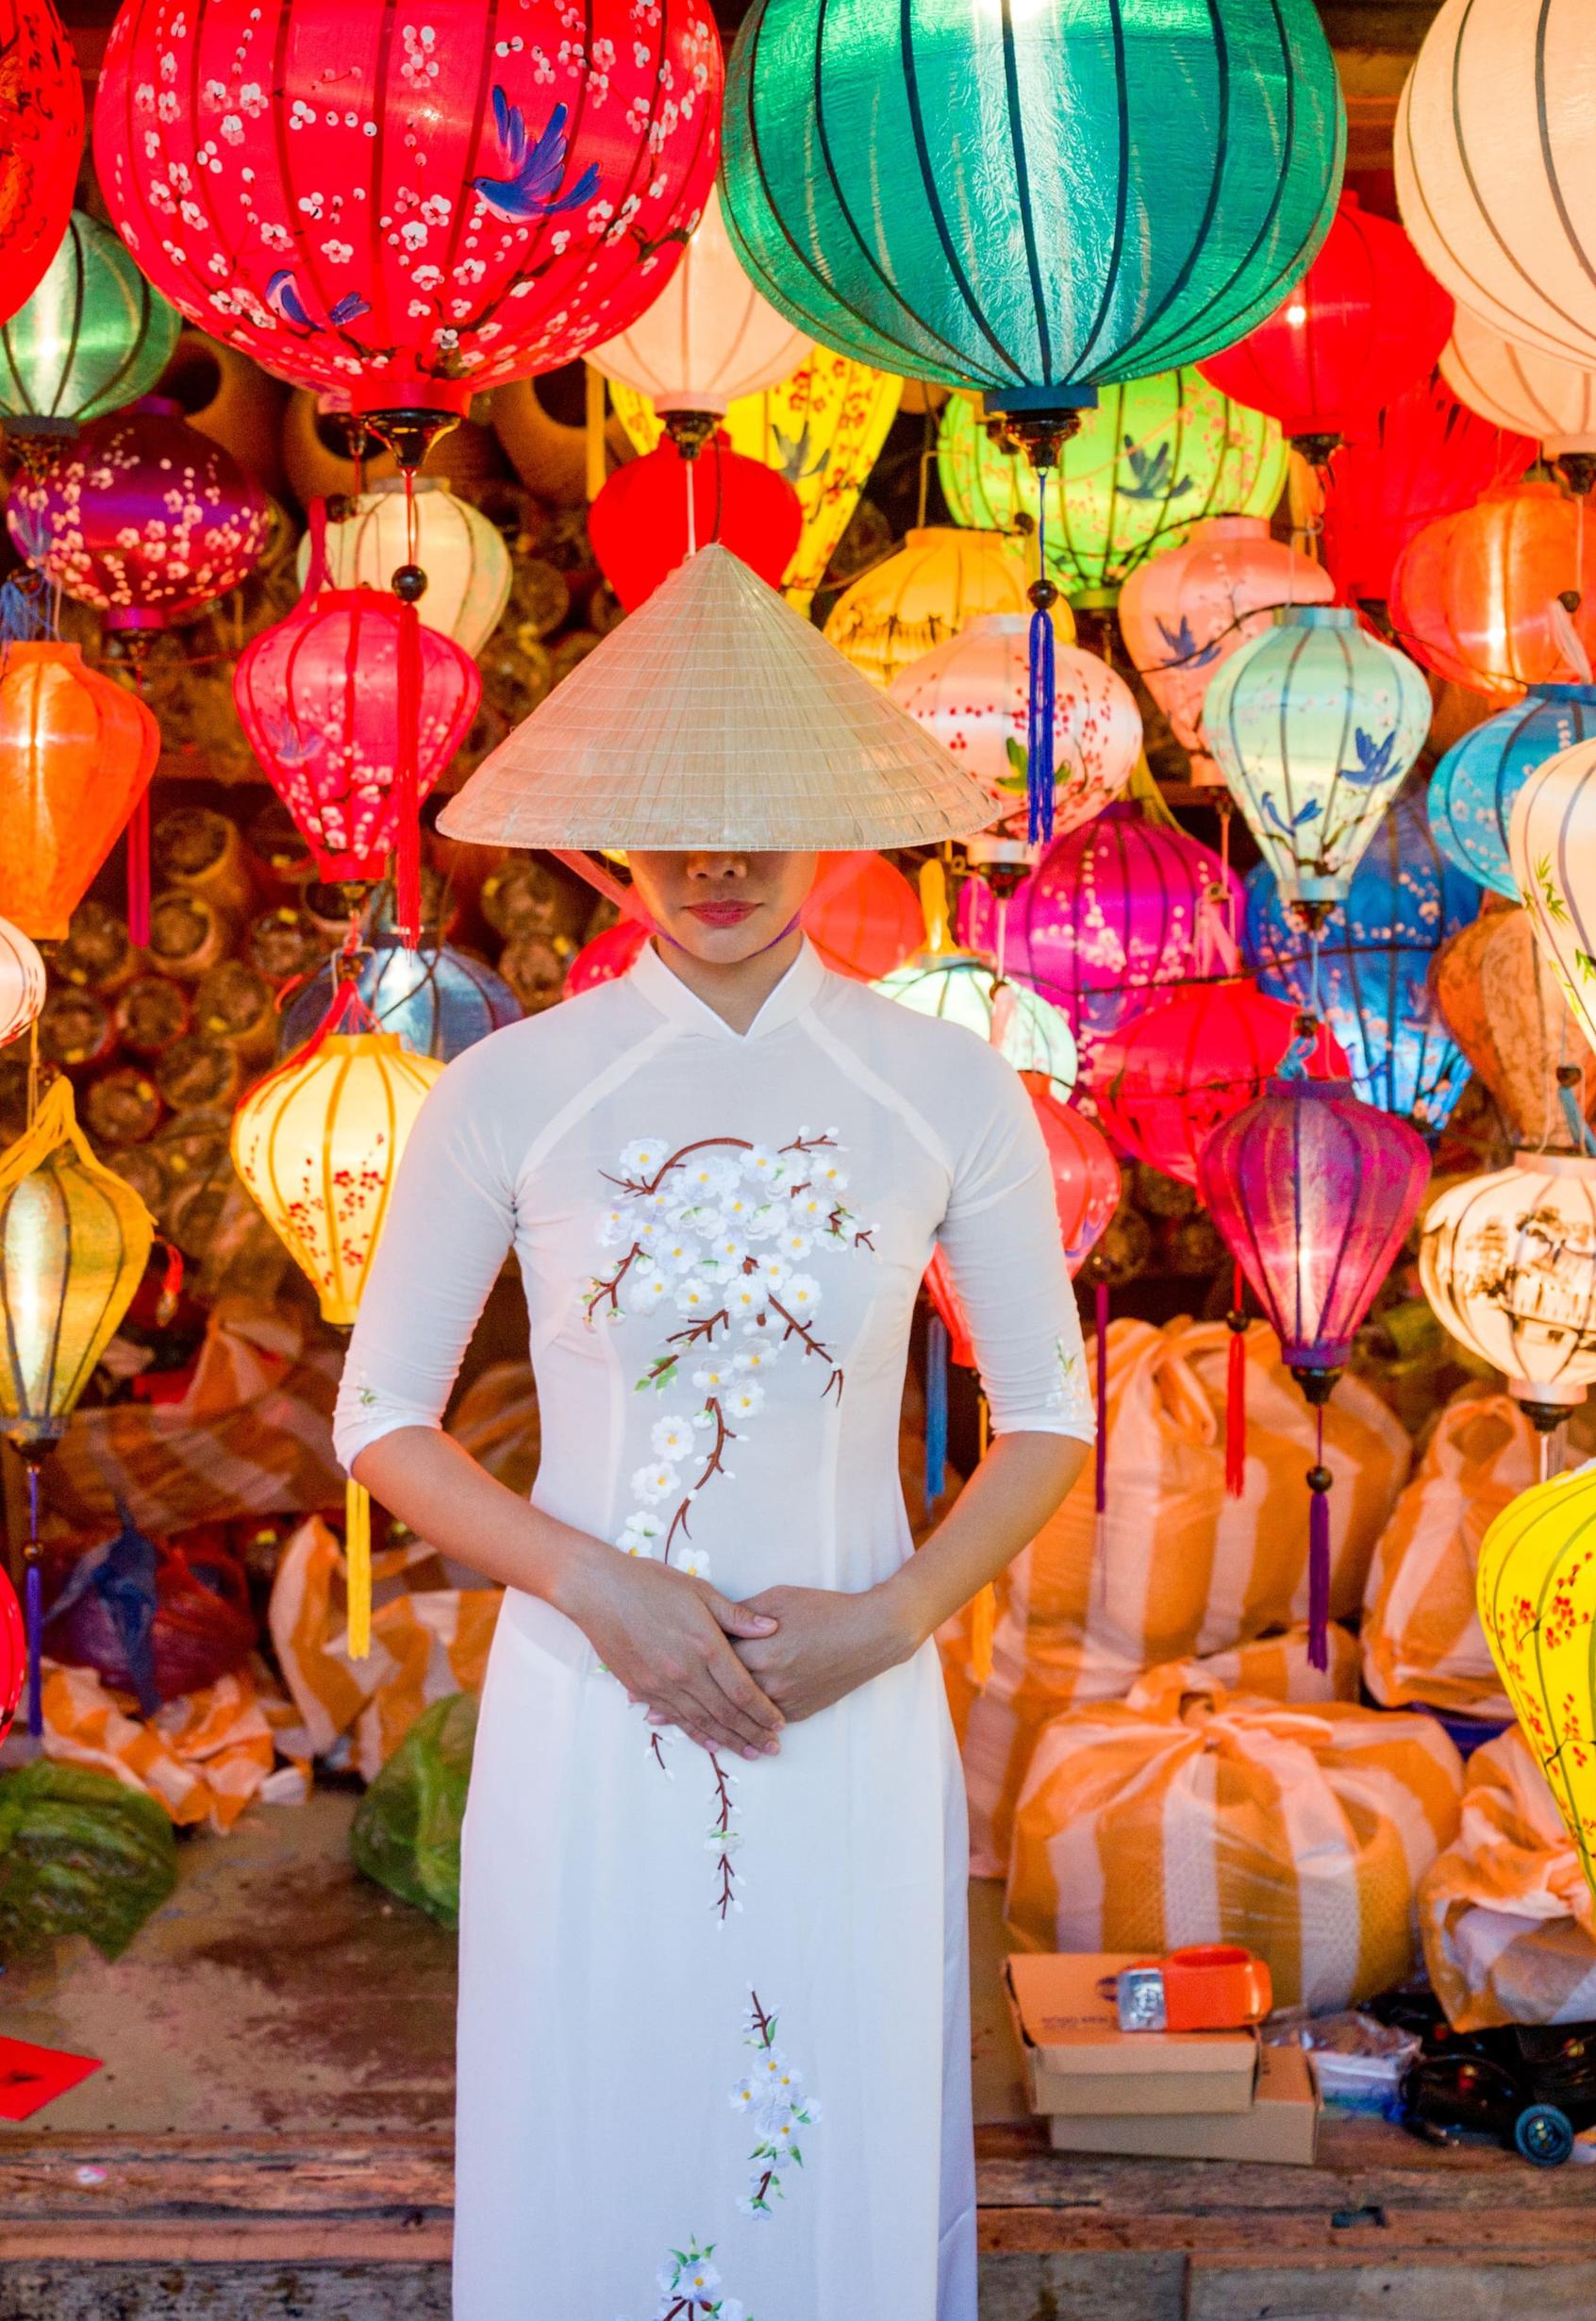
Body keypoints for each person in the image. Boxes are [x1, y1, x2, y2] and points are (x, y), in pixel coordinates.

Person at [333, 546, 1096, 2321]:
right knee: (598, 2102)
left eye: (760, 813)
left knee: (835, 2119)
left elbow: (1049, 1414)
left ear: (834, 823)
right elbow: (383, 1419)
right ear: (613, 834)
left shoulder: (945, 1085)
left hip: (854, 1696)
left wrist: (892, 1619)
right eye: (674, 816)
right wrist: (601, 1590)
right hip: (589, 1708)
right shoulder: (512, 1089)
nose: (721, 860)